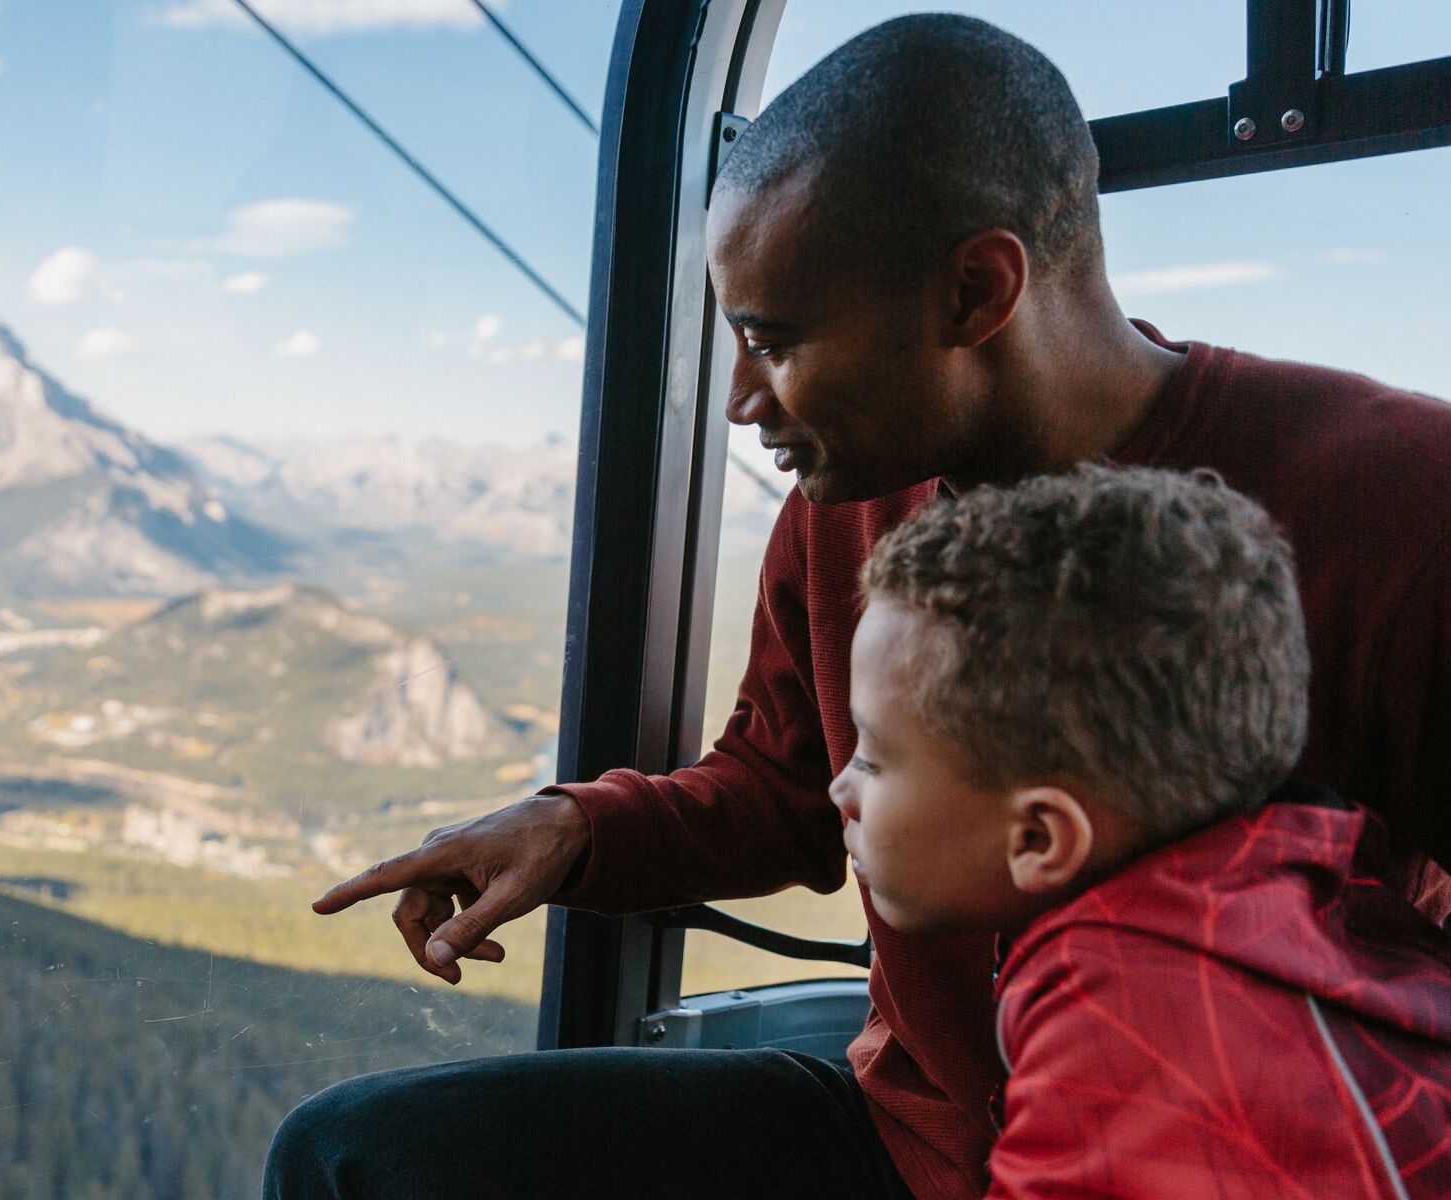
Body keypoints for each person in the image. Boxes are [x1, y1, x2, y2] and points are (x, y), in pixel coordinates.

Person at [267, 14, 1451, 1200]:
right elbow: (786, 788)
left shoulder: (1395, 501)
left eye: (771, 342)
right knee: (350, 1161)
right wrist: (578, 831)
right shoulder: (852, 495)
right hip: (910, 1145)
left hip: (1234, 1159)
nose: (739, 400)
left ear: (975, 291)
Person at [842, 464, 1451, 1199]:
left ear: (1039, 837)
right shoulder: (1331, 909)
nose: (841, 788)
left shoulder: (1119, 1037)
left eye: (874, 757)